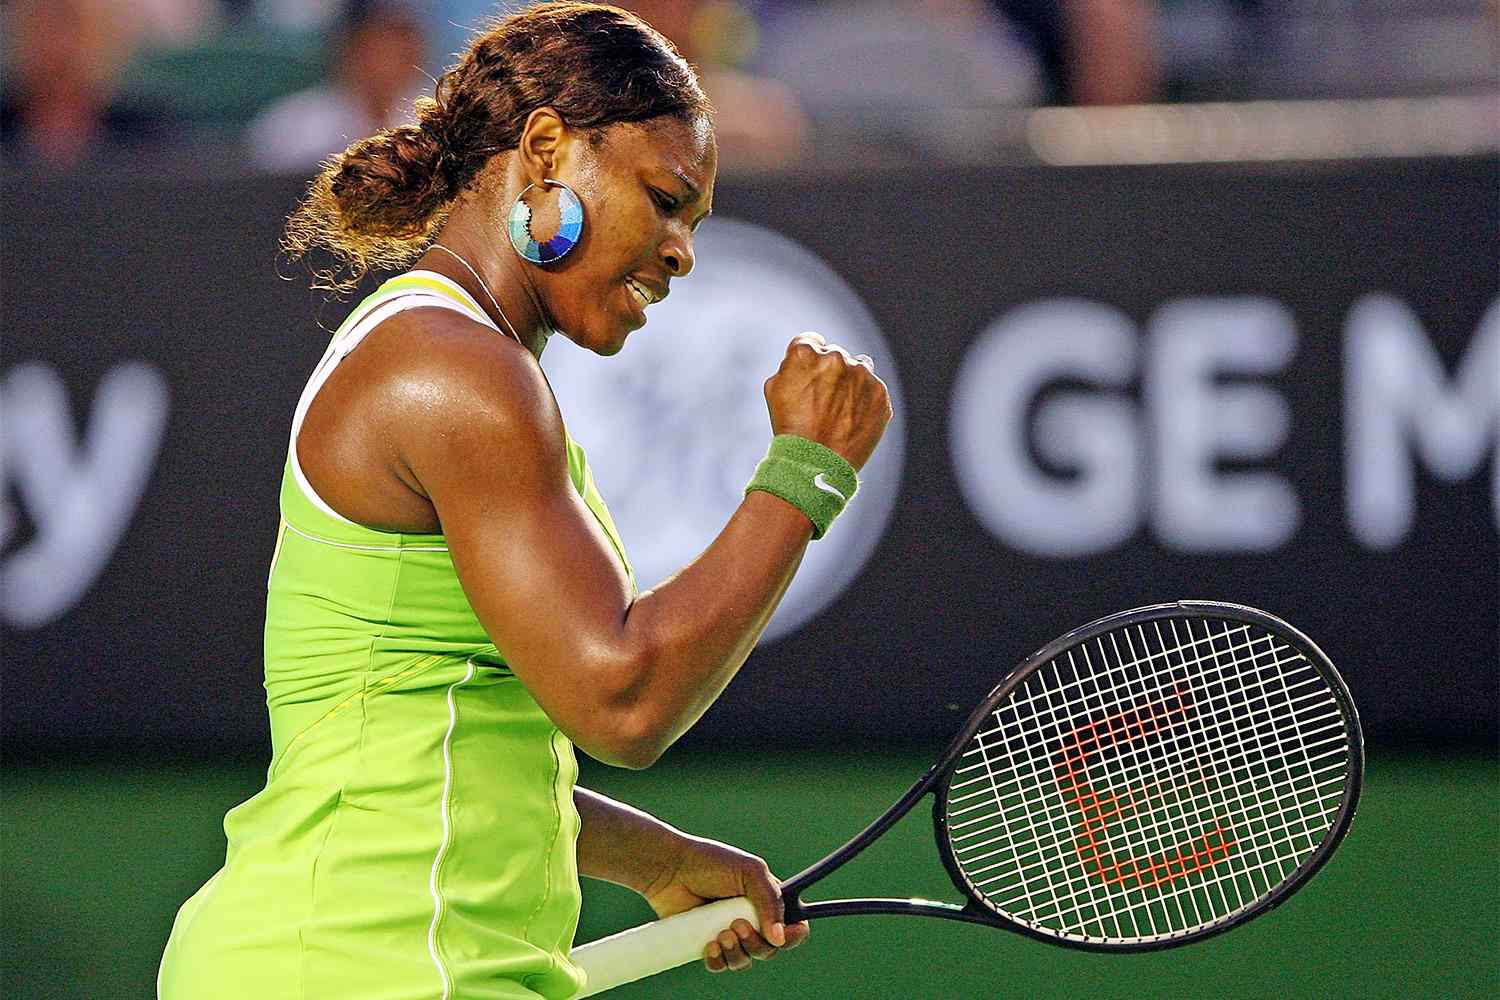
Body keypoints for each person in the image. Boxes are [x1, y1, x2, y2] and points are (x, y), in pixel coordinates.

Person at [157, 3, 892, 999]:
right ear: (546, 150)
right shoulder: (455, 372)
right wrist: (805, 472)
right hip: (361, 967)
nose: (681, 251)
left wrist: (655, 860)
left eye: (695, 221)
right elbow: (623, 698)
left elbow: (455, 737)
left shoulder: (466, 364)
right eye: (665, 199)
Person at [247, 0, 431, 172]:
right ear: (351, 48)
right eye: (384, 43)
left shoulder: (435, 120)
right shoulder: (291, 125)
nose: (396, 56)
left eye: (405, 43)